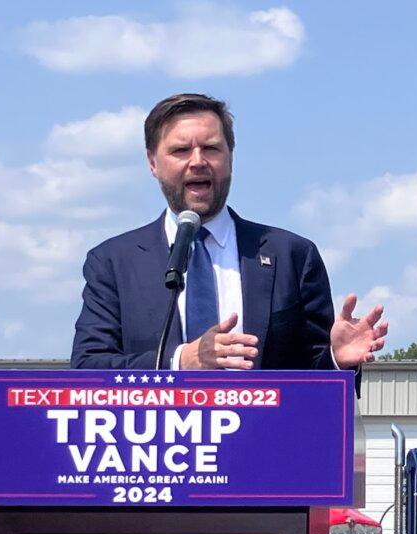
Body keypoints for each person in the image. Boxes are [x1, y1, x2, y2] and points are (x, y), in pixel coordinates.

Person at [70, 92, 387, 376]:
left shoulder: (292, 256)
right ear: (153, 162)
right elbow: (88, 366)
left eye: (211, 148)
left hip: (263, 440)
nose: (198, 161)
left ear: (230, 157)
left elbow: (313, 381)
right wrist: (182, 360)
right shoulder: (112, 262)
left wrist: (336, 360)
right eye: (181, 150)